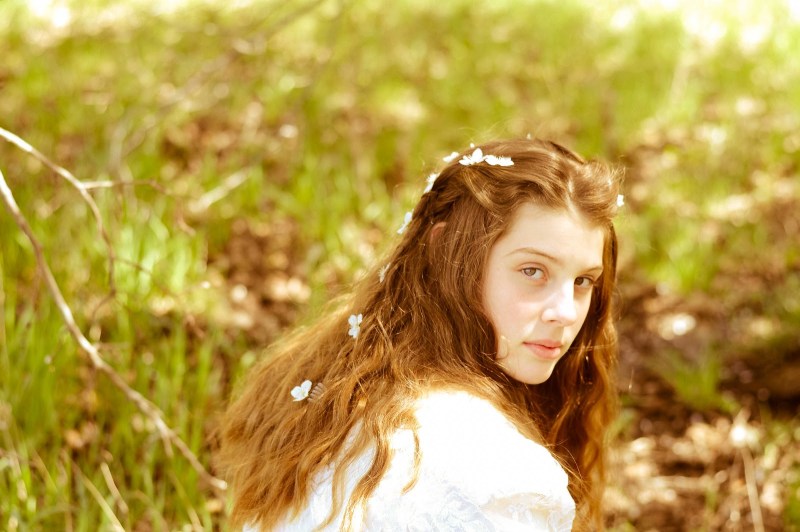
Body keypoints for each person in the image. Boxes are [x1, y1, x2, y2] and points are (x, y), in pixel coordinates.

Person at [218, 138, 623, 531]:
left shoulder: (340, 397)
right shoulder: (498, 471)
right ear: (448, 252)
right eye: (533, 271)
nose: (565, 312)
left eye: (584, 281)